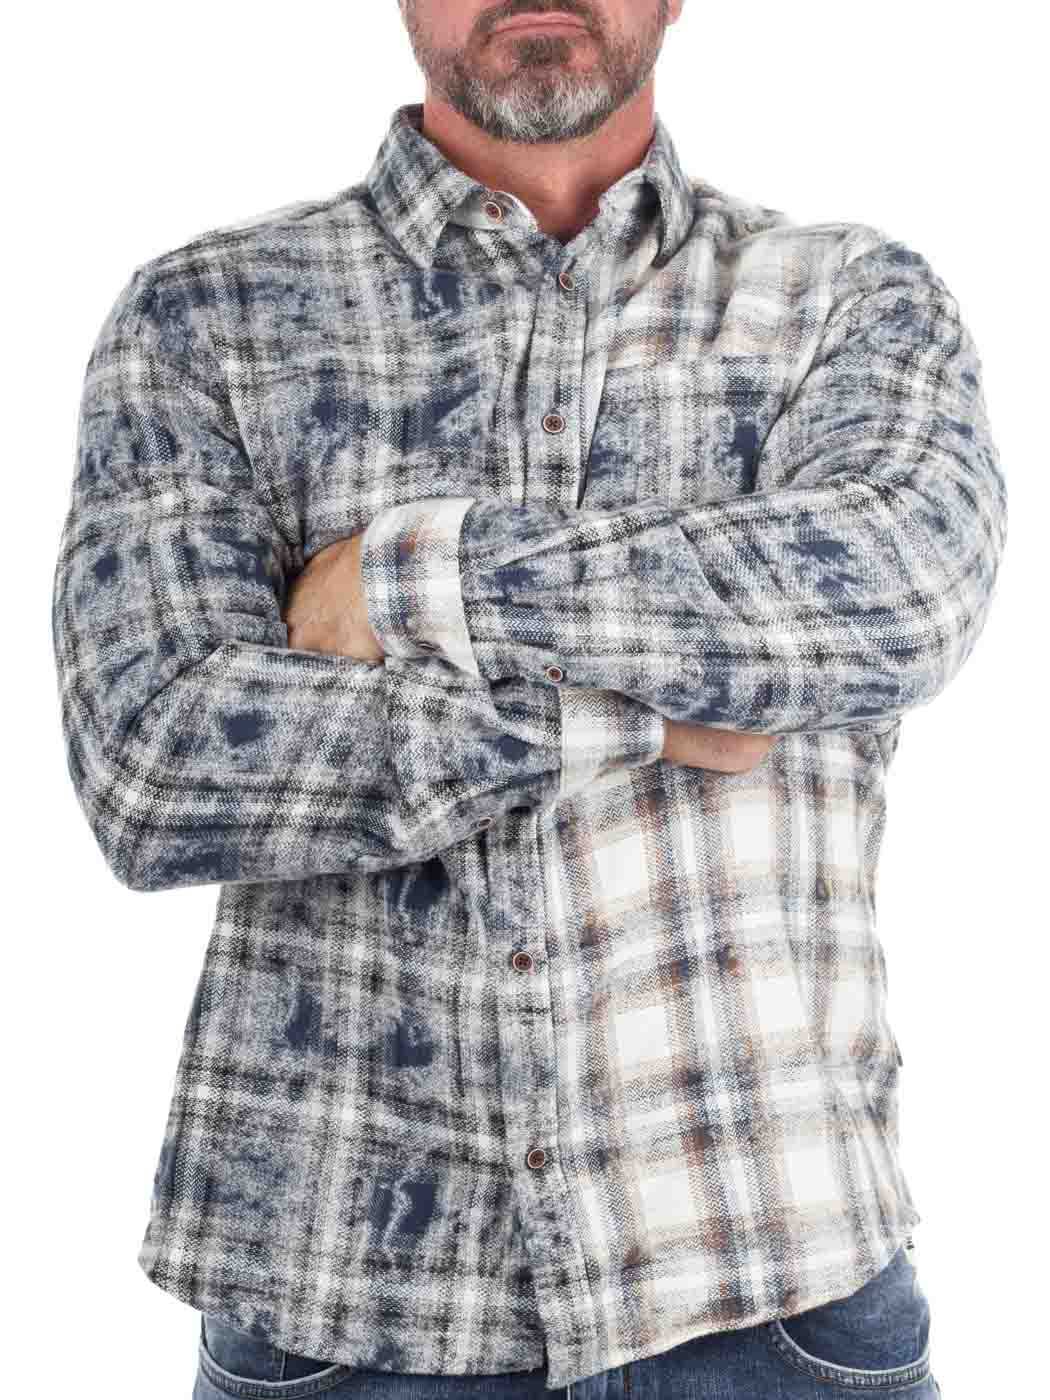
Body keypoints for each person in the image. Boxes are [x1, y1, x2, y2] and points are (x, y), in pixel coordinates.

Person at [52, 2, 1005, 1396]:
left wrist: (412, 577)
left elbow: (895, 595)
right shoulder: (211, 316)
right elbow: (157, 764)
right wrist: (641, 718)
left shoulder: (849, 299)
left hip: (770, 1285)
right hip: (342, 1299)